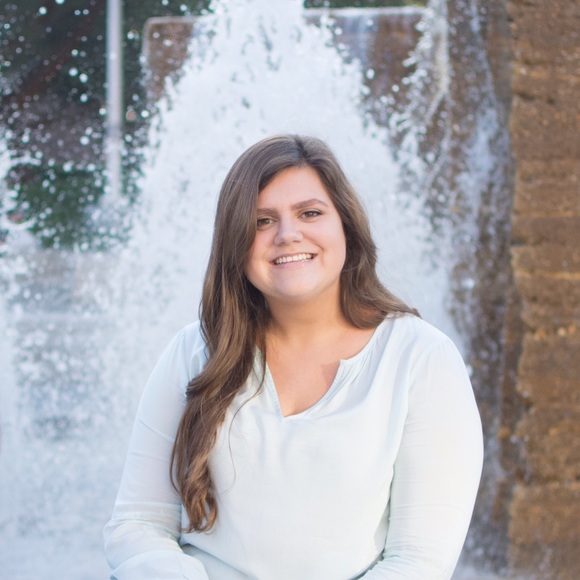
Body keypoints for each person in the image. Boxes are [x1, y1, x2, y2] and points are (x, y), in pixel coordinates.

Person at [104, 134, 483, 579]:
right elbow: (138, 524)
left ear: (346, 225)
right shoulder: (195, 352)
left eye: (310, 213)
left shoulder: (420, 360)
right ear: (235, 242)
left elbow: (419, 561)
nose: (287, 234)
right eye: (262, 221)